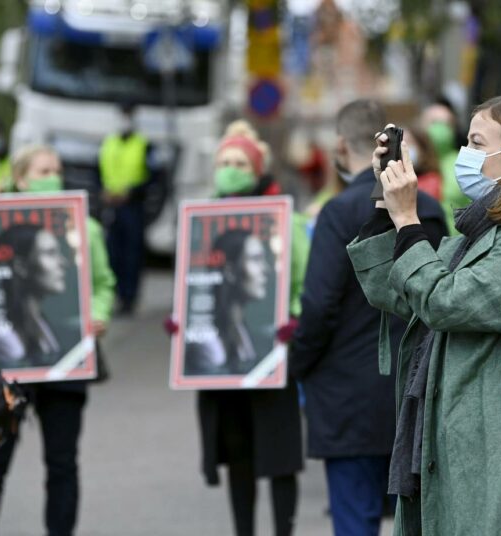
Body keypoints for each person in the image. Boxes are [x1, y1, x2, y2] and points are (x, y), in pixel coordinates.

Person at [347, 94, 501, 535]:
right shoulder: (474, 237)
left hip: (497, 452)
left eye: (476, 142)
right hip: (445, 443)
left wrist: (409, 218)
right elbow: (394, 290)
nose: (465, 155)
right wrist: (385, 203)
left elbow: (444, 301)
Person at [289, 99, 447, 536]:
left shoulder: (338, 213)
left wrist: (296, 365)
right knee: (415, 522)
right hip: (414, 391)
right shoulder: (428, 210)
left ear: (341, 146)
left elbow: (318, 305)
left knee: (355, 521)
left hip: (347, 398)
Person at [0, 145, 115, 536]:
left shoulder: (85, 228)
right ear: (21, 178)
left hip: (66, 360)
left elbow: (101, 283)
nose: (54, 177)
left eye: (57, 170)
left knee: (62, 463)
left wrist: (99, 314)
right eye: (44, 170)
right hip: (6, 370)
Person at [194, 120, 304, 536]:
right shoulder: (201, 218)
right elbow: (193, 282)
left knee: (279, 456)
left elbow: (302, 281)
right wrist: (186, 322)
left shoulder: (285, 220)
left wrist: (291, 319)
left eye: (240, 162)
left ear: (257, 167)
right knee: (237, 453)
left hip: (273, 354)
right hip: (224, 360)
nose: (231, 169)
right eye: (224, 162)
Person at [0, 224, 71, 369]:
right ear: (21, 266)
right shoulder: (1, 336)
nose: (63, 263)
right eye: (50, 253)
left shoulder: (39, 321)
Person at [184, 229, 270, 375]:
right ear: (230, 271)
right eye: (256, 259)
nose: (266, 269)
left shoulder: (248, 334)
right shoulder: (206, 342)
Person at [98, 102, 149, 314]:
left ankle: (129, 298)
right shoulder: (108, 143)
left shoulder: (143, 144)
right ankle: (114, 297)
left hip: (133, 207)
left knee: (132, 254)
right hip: (112, 207)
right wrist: (104, 192)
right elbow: (99, 170)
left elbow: (153, 178)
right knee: (111, 253)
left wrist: (132, 192)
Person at [420, 98, 470, 234]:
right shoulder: (413, 163)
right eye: (434, 122)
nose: (439, 129)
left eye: (446, 124)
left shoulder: (465, 163)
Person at [402, 126, 442, 201]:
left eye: (408, 142)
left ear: (422, 147)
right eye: (400, 144)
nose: (403, 149)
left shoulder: (431, 179)